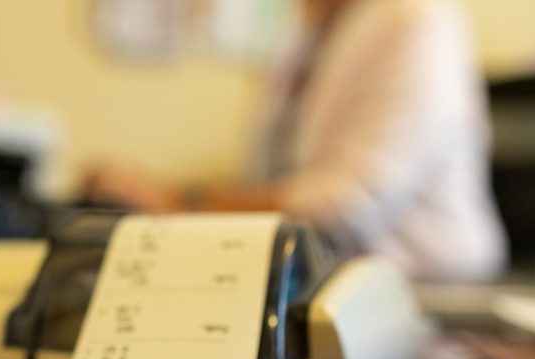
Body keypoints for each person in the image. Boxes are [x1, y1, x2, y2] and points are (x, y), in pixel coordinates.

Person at [83, 0, 508, 282]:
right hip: (328, 279)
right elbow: (266, 177)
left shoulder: (414, 18)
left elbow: (345, 205)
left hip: (435, 298)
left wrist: (180, 205)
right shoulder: (308, 32)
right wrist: (159, 195)